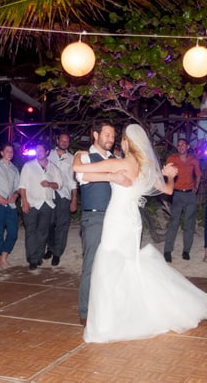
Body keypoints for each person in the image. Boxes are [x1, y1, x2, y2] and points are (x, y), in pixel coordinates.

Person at [73, 124, 207, 343]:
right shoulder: (146, 166)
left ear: (127, 142)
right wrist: (168, 176)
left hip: (118, 218)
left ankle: (110, 318)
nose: (118, 141)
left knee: (108, 263)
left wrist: (77, 155)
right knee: (129, 263)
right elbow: (168, 190)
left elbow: (78, 170)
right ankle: (127, 310)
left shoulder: (122, 162)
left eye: (120, 138)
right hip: (133, 221)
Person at [74, 121, 129, 326]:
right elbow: (82, 174)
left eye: (113, 136)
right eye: (107, 135)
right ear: (95, 135)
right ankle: (85, 311)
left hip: (115, 218)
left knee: (113, 265)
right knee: (92, 264)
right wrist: (111, 176)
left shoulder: (115, 159)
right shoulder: (84, 156)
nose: (110, 139)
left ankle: (109, 307)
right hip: (95, 217)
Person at [19, 141, 62, 270]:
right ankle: (32, 259)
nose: (38, 152)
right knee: (31, 231)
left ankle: (38, 256)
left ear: (47, 152)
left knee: (43, 232)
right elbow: (22, 185)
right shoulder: (28, 166)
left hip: (47, 203)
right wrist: (24, 202)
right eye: (36, 150)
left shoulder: (53, 167)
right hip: (31, 202)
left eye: (41, 150)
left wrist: (49, 184)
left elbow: (59, 185)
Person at [163, 138, 202, 262]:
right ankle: (167, 250)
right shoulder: (172, 159)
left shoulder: (193, 159)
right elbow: (166, 173)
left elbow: (199, 174)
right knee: (173, 223)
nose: (181, 147)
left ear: (188, 146)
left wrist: (196, 186)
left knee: (189, 224)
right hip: (177, 194)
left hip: (190, 194)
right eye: (179, 145)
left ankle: (186, 251)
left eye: (183, 145)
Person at [45, 131, 78, 266]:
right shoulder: (49, 155)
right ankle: (50, 248)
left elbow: (73, 180)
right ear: (57, 140)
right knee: (49, 223)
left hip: (64, 194)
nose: (64, 143)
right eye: (62, 140)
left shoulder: (71, 158)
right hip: (48, 193)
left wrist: (74, 199)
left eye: (67, 141)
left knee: (62, 225)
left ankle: (57, 253)